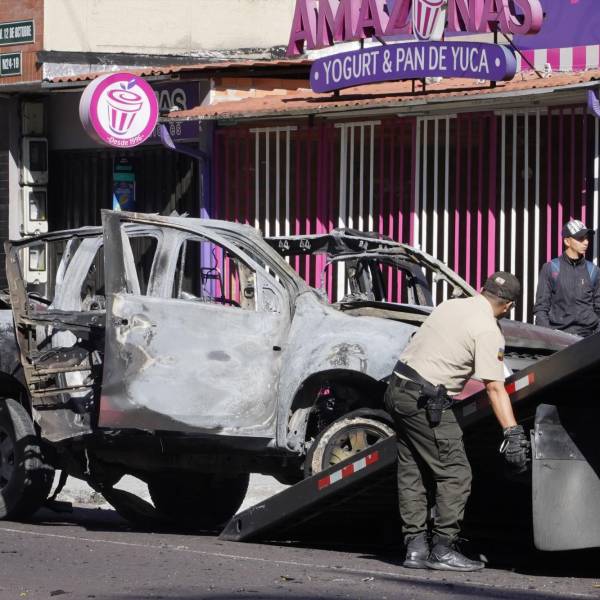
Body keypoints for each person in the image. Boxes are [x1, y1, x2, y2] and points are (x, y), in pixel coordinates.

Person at [384, 272, 528, 572]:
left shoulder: (450, 305)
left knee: (413, 471)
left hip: (396, 390)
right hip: (424, 401)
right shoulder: (488, 330)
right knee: (456, 474)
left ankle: (415, 549)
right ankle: (443, 549)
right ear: (509, 305)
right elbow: (494, 387)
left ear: (481, 289)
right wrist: (512, 432)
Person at [533, 219, 600, 337]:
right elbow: (541, 308)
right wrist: (548, 336)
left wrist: (596, 336)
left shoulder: (593, 270)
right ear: (567, 241)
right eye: (580, 238)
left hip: (588, 337)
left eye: (586, 238)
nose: (586, 242)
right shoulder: (551, 268)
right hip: (558, 337)